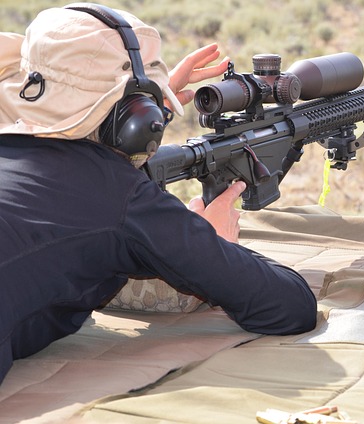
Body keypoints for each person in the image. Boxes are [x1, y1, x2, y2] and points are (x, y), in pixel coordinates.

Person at [0, 4, 317, 385]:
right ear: (136, 119)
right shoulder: (118, 197)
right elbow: (290, 306)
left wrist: (128, 103)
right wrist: (213, 243)